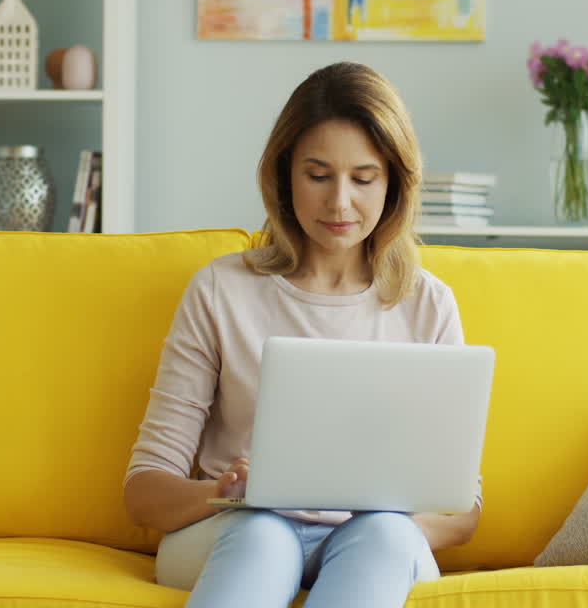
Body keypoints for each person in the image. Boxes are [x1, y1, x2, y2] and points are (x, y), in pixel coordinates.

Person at [123, 62, 480, 608]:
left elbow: (461, 512)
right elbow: (144, 491)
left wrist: (375, 517)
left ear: (394, 183)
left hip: (375, 540)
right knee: (264, 533)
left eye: (363, 179)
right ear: (286, 176)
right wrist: (225, 495)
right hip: (236, 531)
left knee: (384, 536)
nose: (340, 203)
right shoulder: (221, 291)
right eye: (318, 175)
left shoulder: (428, 304)